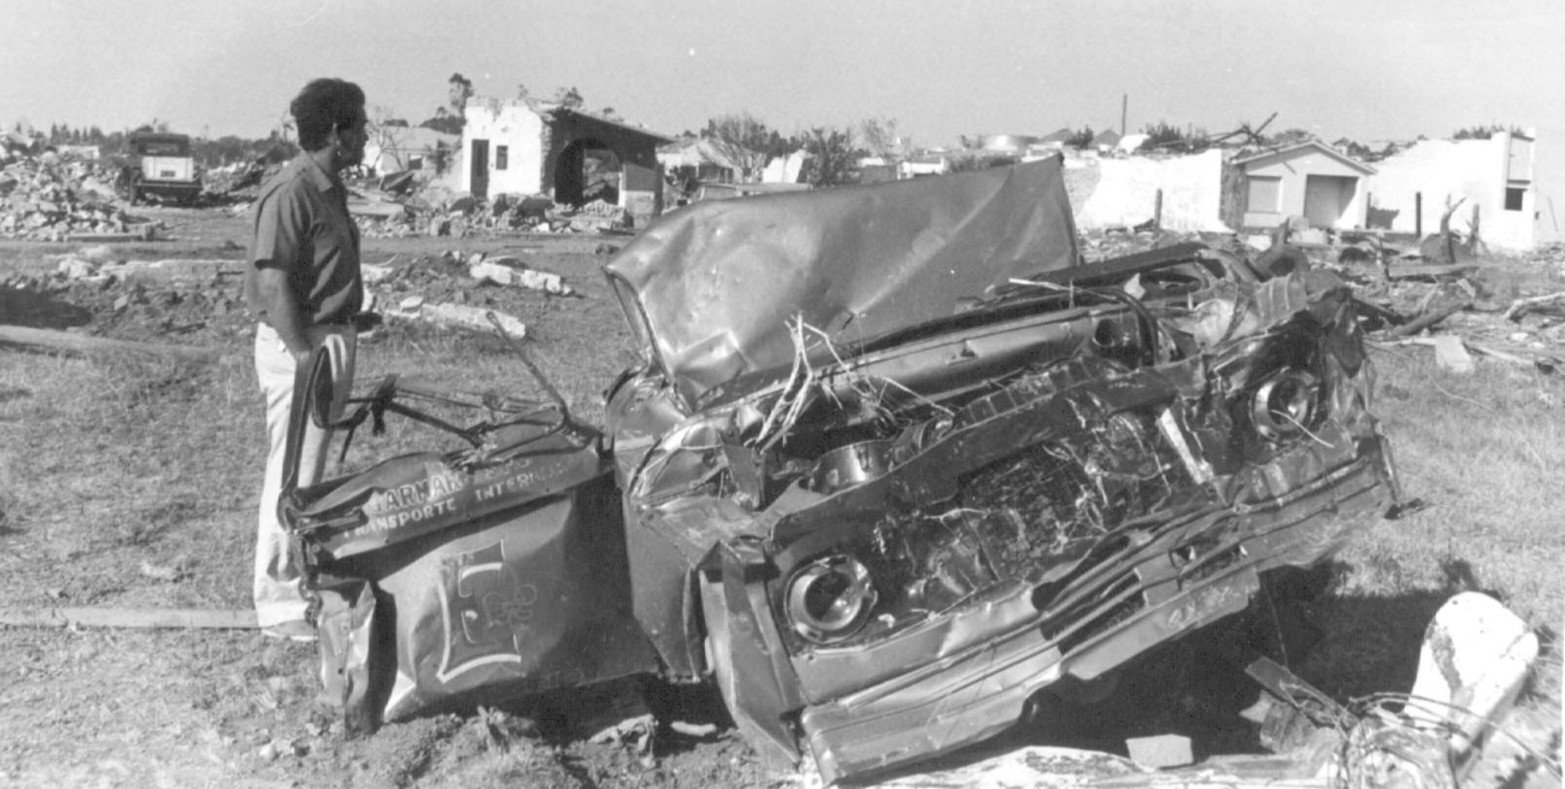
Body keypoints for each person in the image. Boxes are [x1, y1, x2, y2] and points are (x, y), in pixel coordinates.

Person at [244, 78, 368, 641]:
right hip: (302, 346)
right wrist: (303, 357)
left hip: (325, 340)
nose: (367, 136)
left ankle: (299, 585)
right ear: (338, 132)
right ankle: (278, 604)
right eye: (361, 125)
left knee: (309, 472)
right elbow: (272, 285)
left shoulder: (328, 187)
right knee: (290, 472)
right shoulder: (290, 191)